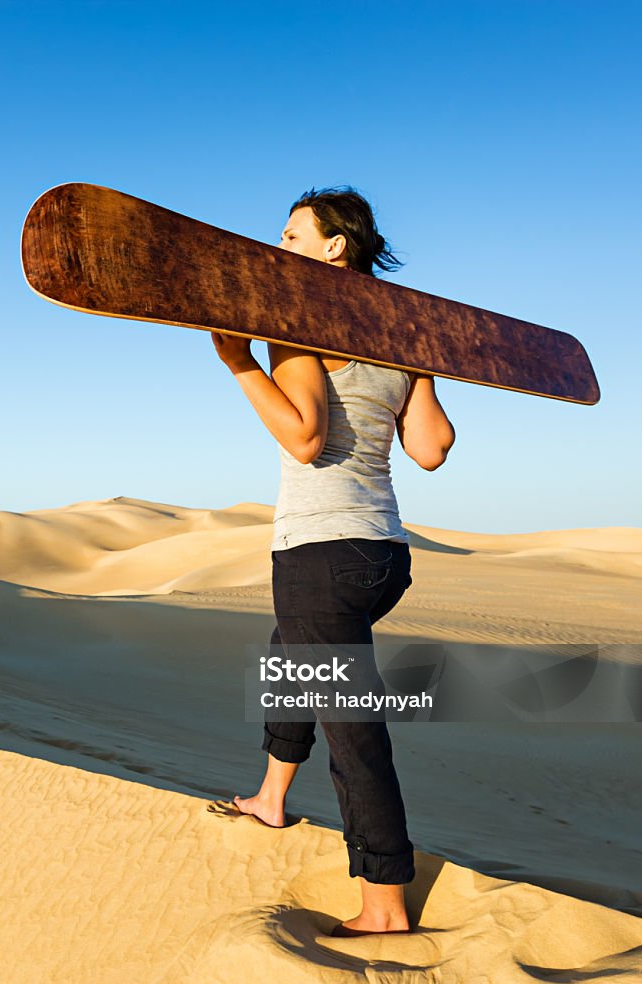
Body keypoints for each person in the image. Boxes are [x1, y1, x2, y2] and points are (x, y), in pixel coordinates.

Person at [212, 186, 456, 937]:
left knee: (352, 727)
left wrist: (239, 361)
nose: (279, 247)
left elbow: (305, 437)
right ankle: (271, 798)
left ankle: (384, 900)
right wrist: (422, 367)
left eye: (291, 236)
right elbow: (431, 449)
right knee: (290, 659)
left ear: (332, 249)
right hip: (383, 555)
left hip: (320, 550)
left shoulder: (300, 328)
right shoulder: (397, 337)